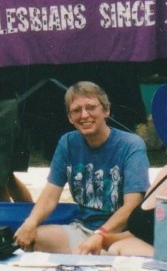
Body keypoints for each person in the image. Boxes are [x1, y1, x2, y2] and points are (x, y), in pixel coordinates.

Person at [14, 82, 149, 254]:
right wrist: (30, 223)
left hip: (119, 236)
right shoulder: (67, 143)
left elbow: (132, 205)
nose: (84, 115)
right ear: (70, 118)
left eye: (91, 107)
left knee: (113, 254)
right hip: (82, 230)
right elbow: (49, 195)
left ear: (106, 111)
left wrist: (101, 235)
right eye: (76, 110)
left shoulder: (131, 145)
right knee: (33, 240)